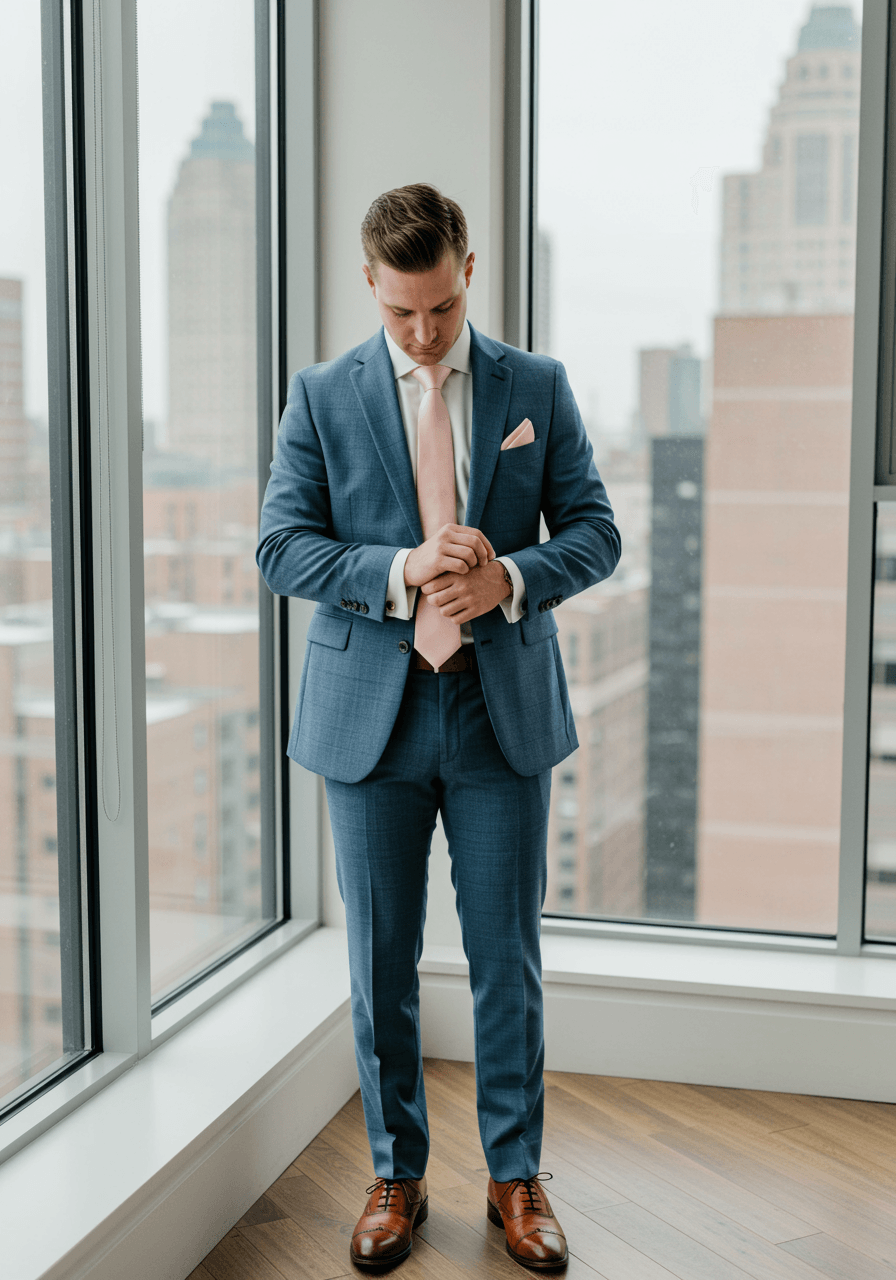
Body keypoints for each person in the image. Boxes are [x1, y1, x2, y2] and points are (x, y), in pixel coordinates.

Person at [257, 183, 620, 1271]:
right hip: (369, 719)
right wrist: (401, 568)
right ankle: (394, 1175)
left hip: (499, 713)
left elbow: (596, 531)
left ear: (470, 271)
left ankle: (516, 1178)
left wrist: (509, 577)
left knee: (506, 956)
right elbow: (281, 546)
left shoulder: (534, 386)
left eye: (442, 308)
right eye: (401, 311)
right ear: (369, 283)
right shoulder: (320, 394)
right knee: (381, 961)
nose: (423, 333)